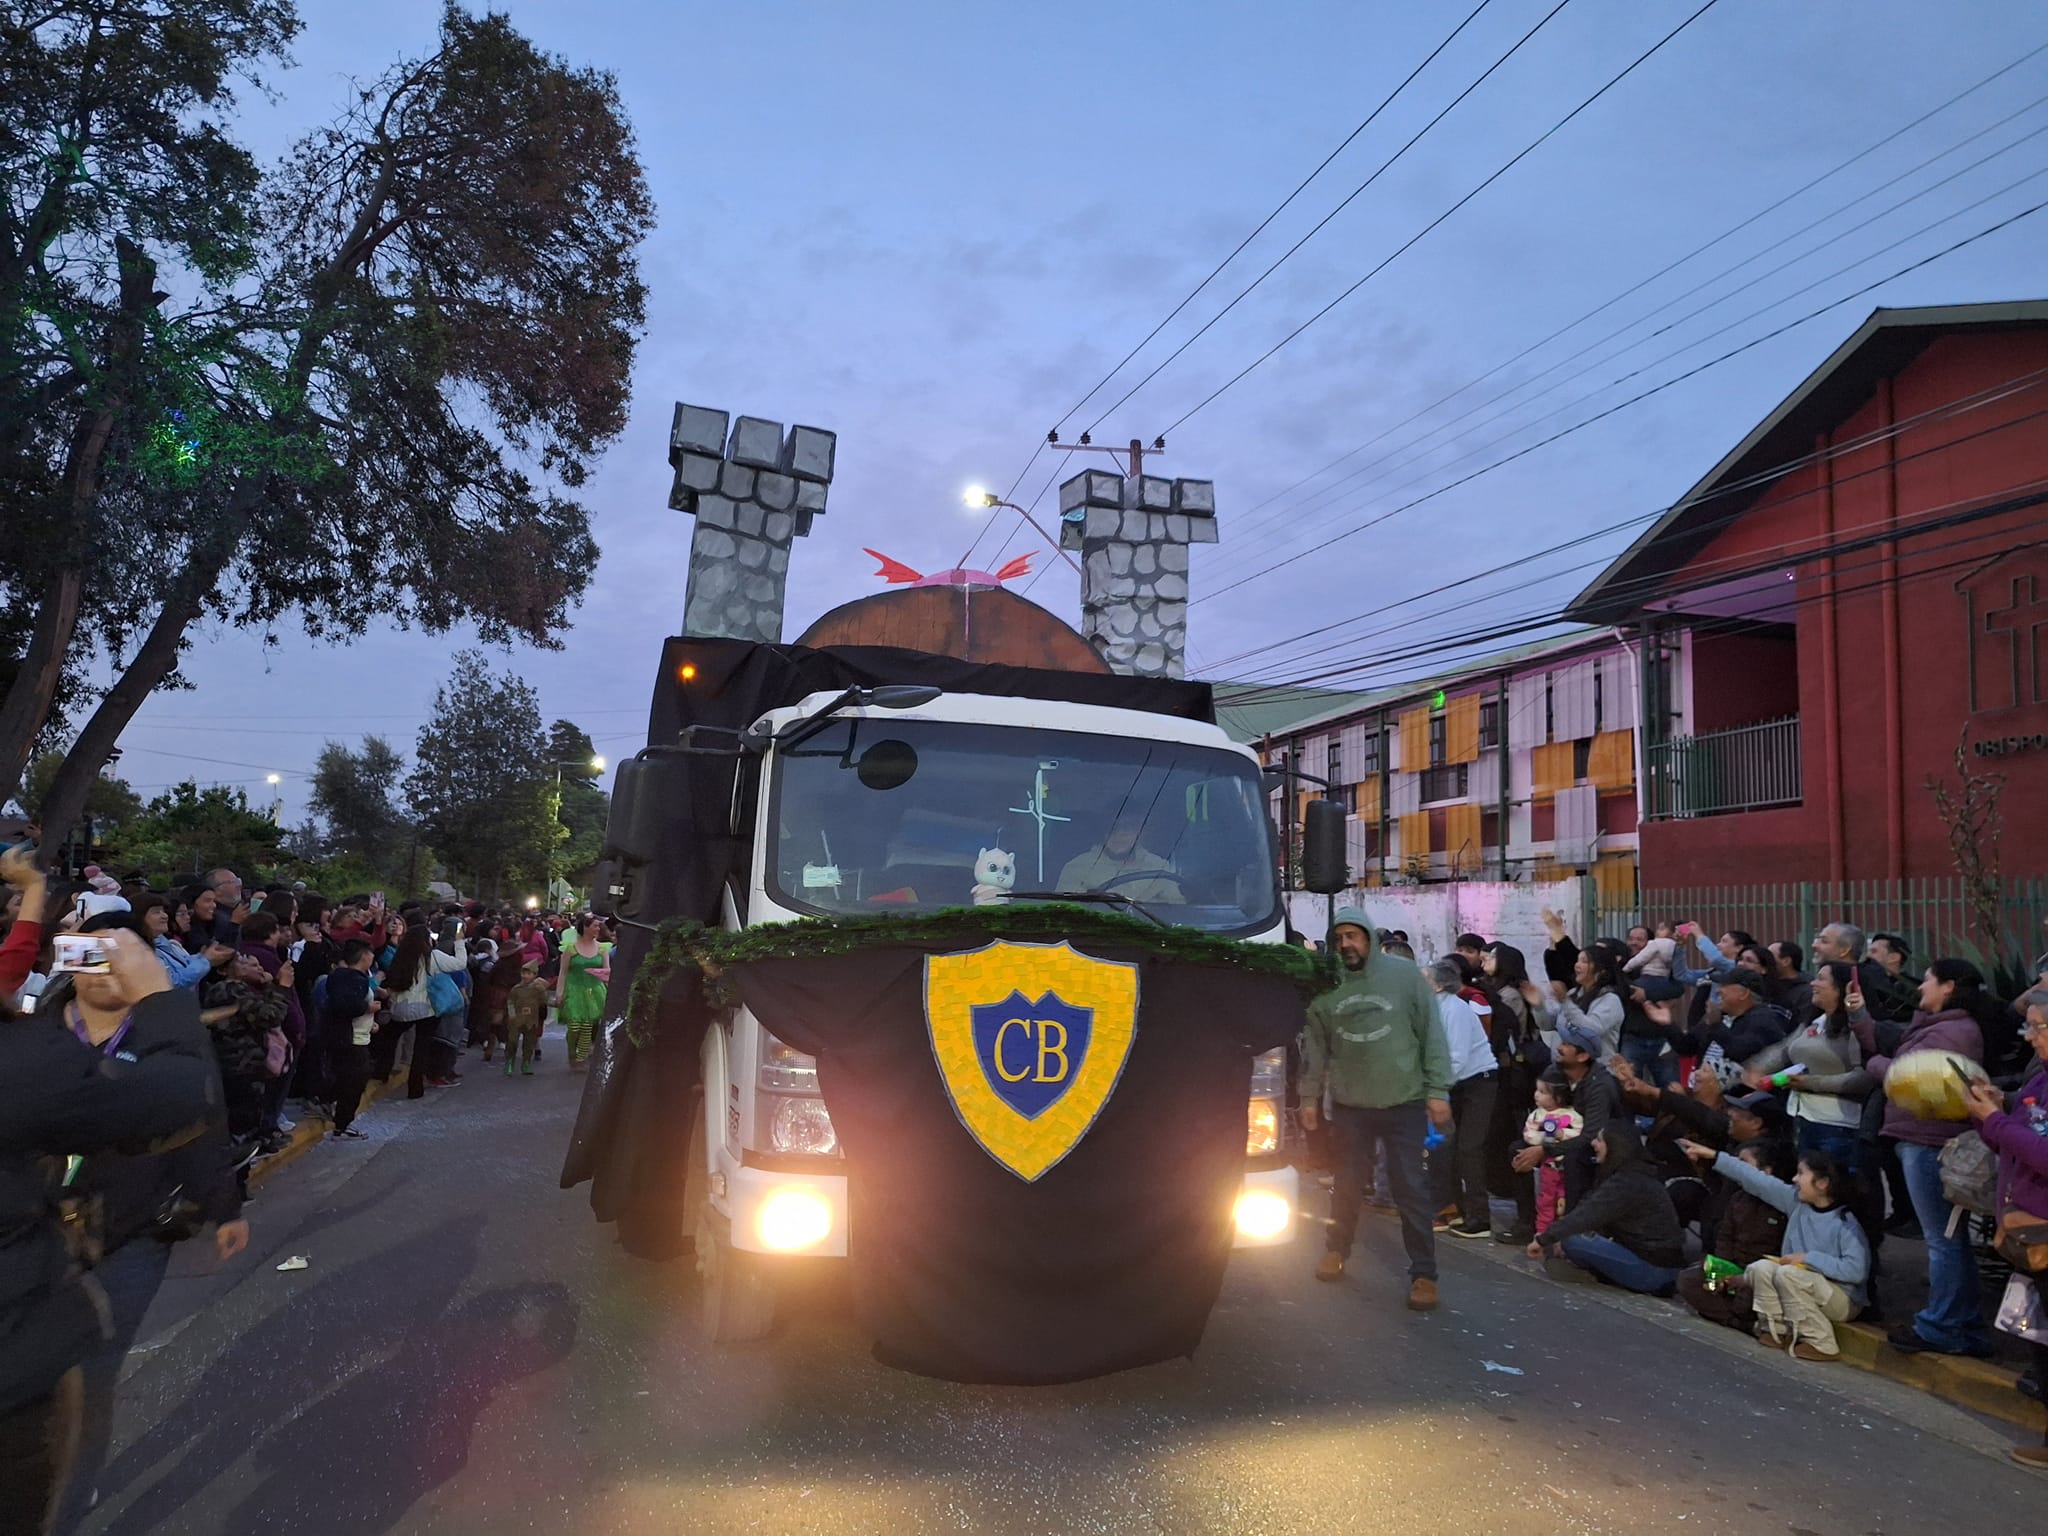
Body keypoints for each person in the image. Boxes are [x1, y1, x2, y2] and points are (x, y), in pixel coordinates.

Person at [1, 925, 219, 1535]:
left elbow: (206, 1124)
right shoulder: (34, 1048)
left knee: (94, 1379)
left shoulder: (27, 1052)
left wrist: (220, 1205)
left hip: (122, 1234)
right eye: (83, 958)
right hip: (23, 1342)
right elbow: (186, 1093)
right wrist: (162, 998)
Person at [1297, 909, 1451, 1311]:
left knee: (1410, 1189)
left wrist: (1439, 1090)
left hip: (1405, 1101)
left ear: (1368, 938)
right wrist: (1309, 1099)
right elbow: (1315, 1049)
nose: (1346, 944)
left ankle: (1423, 1274)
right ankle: (1336, 1250)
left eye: (1353, 936)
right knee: (1346, 1185)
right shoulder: (1325, 986)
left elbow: (1431, 1032)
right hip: (1351, 1106)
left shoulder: (1403, 977)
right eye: (1340, 938)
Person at [1861, 958, 1997, 1358]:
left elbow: (1913, 1076)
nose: (1920, 989)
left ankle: (1940, 1326)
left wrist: (1875, 1064)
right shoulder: (1941, 1026)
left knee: (1943, 1242)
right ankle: (1964, 1325)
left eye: (1927, 982)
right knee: (1948, 1240)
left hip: (1928, 1142)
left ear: (1948, 986)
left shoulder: (1952, 1033)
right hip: (1921, 1138)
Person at [1679, 1139, 1870, 1359]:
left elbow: (1856, 1271)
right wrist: (1714, 1155)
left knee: (1788, 1273)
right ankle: (1775, 1329)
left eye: (1801, 1174)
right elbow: (1754, 1178)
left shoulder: (1845, 1224)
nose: (1794, 1179)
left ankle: (1822, 1343)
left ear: (1823, 1183)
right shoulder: (1796, 1203)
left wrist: (1809, 1258)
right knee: (1761, 1268)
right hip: (1801, 1283)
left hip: (1842, 1299)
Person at [1964, 996, 2048, 1470]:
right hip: (2028, 1234)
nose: (2030, 1037)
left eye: (2037, 1028)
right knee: (2039, 1342)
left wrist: (1995, 1119)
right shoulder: (2039, 1078)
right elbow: (2011, 1138)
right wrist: (1991, 1114)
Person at [1529, 1119, 1684, 1294]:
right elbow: (1589, 1208)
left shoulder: (1627, 1182)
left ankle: (1596, 1274)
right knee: (1574, 1235)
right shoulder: (1632, 1175)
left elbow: (1588, 1215)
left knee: (1573, 1240)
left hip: (1653, 1270)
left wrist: (1544, 1239)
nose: (1594, 1143)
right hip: (1655, 1262)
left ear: (1615, 1145)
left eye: (1600, 1140)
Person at [1675, 1140, 1793, 1335]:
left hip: (1757, 1275)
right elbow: (1724, 1239)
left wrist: (1744, 1277)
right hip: (1730, 1271)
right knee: (1692, 1280)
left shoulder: (1782, 1209)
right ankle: (1735, 1321)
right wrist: (1720, 1275)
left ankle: (1739, 1319)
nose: (1738, 1170)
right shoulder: (1737, 1199)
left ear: (1767, 1171)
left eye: (1744, 1164)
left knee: (1748, 1296)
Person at [1426, 957, 1498, 1240]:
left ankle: (1480, 1217)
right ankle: (1451, 1208)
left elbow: (1456, 1057)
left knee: (1469, 1148)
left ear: (1440, 984)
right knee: (1446, 1147)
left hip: (1478, 1081)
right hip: (1455, 1084)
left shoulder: (1455, 1009)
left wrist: (1435, 1091)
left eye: (1425, 977)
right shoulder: (1433, 1008)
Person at [1054, 804, 1182, 904]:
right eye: (1113, 827)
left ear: (1141, 832)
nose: (1120, 833)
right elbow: (1068, 914)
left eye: (1129, 827)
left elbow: (1176, 910)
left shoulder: (1159, 867)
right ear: (1102, 831)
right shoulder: (1077, 867)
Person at [322, 940, 380, 1140]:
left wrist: (369, 1022)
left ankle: (342, 1119)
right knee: (353, 1082)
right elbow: (344, 1005)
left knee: (354, 1079)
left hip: (358, 1035)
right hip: (351, 1039)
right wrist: (368, 1009)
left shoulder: (348, 977)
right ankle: (341, 1121)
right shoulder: (352, 978)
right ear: (364, 956)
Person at [1523, 1072, 1582, 1239]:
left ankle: (1562, 1236)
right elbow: (1529, 1134)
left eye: (1542, 1092)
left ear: (1559, 1097)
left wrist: (1561, 1133)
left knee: (1564, 1201)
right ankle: (1542, 1232)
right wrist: (1546, 1138)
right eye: (1537, 1090)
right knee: (1545, 1201)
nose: (1536, 1095)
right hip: (1549, 1167)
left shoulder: (1572, 1115)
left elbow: (1580, 1133)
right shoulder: (1537, 1115)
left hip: (1569, 1168)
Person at [555, 915, 613, 1071]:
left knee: (588, 1026)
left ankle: (581, 1058)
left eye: (598, 926)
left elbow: (606, 972)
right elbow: (563, 972)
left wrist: (611, 992)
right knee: (574, 1026)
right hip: (574, 990)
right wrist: (559, 993)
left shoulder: (602, 949)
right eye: (595, 926)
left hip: (595, 991)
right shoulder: (571, 949)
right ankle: (572, 1054)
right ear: (585, 927)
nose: (598, 929)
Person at [505, 960, 549, 1076]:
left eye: (528, 974)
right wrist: (512, 1014)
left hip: (531, 1019)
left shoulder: (538, 989)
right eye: (523, 973)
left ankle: (526, 1063)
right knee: (512, 1041)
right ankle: (509, 1062)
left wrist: (559, 1002)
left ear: (534, 975)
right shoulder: (516, 989)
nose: (525, 976)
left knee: (529, 1043)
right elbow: (510, 1001)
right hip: (516, 1019)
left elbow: (545, 1001)